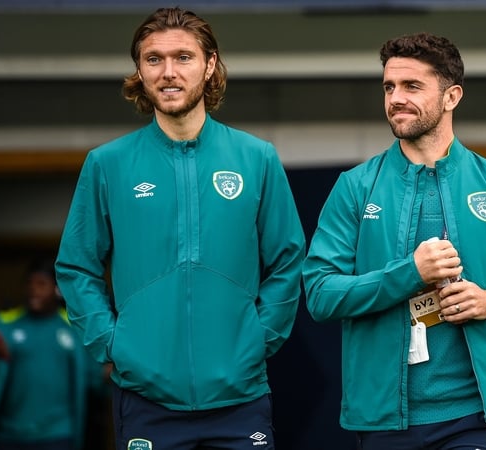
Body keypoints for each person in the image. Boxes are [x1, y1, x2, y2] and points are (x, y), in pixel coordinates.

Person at [54, 7, 306, 450]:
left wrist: (258, 338)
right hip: (146, 399)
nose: (168, 72)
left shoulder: (256, 158)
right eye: (154, 59)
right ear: (140, 70)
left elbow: (288, 259)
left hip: (240, 396)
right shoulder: (107, 164)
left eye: (183, 58)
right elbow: (77, 267)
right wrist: (114, 346)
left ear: (209, 66)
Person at [301, 32, 486, 450]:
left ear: (451, 96)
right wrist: (409, 274)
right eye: (389, 87)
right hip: (384, 420)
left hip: (472, 416)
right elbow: (319, 293)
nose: (395, 98)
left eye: (412, 86)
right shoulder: (354, 187)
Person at [0, 256, 103, 450]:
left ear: (57, 289)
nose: (33, 289)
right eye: (29, 283)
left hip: (58, 434)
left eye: (42, 284)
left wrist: (112, 370)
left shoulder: (74, 329)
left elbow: (95, 380)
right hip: (9, 434)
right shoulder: (4, 326)